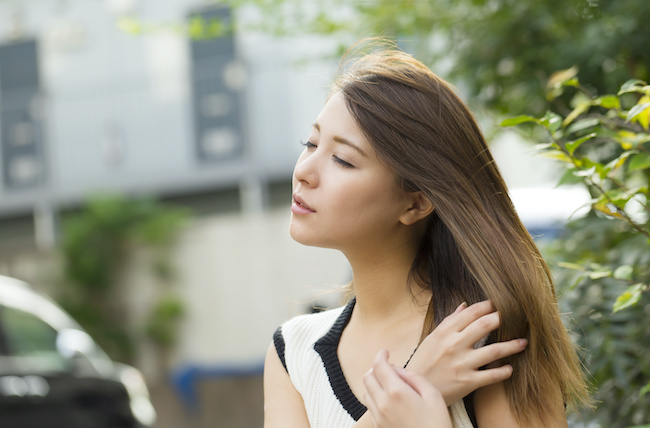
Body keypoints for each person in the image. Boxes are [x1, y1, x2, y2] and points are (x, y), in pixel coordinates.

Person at [264, 40, 589, 427]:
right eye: (311, 144)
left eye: (342, 160)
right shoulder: (295, 350)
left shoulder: (481, 341)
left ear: (415, 203)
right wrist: (411, 390)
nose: (304, 171)